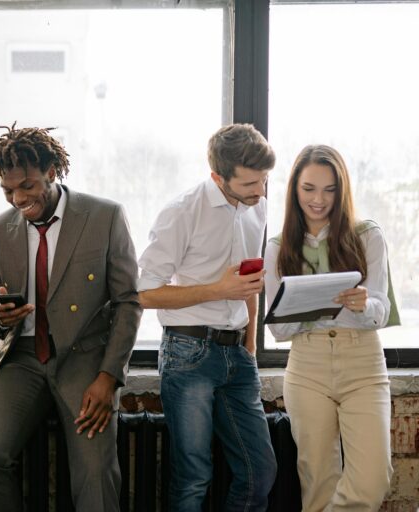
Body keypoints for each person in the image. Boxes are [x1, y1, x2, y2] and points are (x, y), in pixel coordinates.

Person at [0, 124, 141, 512]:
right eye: (8, 190)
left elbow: (128, 302)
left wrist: (108, 377)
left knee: (95, 476)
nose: (18, 198)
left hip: (85, 361)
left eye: (27, 186)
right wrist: (0, 315)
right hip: (21, 360)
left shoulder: (104, 215)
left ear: (52, 171)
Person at [137, 123, 278, 511]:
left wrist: (249, 345)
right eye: (251, 183)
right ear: (218, 177)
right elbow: (144, 292)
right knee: (193, 479)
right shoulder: (182, 211)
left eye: (264, 180)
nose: (261, 191)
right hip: (188, 353)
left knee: (260, 472)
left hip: (238, 354)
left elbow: (247, 281)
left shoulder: (257, 206)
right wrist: (219, 290)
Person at [264, 144, 395, 511]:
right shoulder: (278, 248)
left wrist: (363, 304)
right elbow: (278, 330)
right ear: (294, 190)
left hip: (363, 364)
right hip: (308, 365)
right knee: (318, 482)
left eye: (329, 189)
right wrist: (309, 307)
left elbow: (380, 311)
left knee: (372, 479)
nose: (318, 199)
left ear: (342, 190)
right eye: (309, 189)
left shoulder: (367, 235)